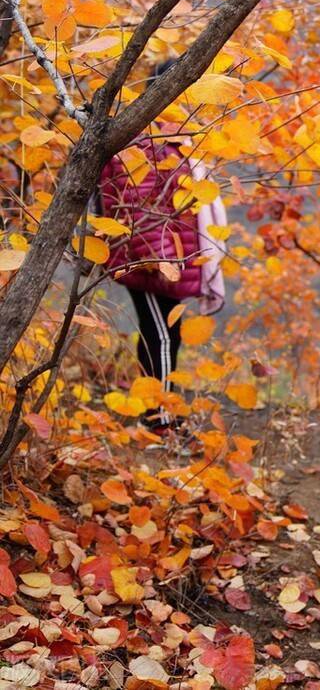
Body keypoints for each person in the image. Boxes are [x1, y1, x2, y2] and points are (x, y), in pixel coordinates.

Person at [99, 59, 227, 443]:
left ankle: (159, 412)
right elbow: (137, 205)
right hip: (153, 263)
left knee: (169, 333)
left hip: (173, 260)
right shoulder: (149, 142)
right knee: (161, 336)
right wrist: (157, 259)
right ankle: (161, 420)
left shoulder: (176, 139)